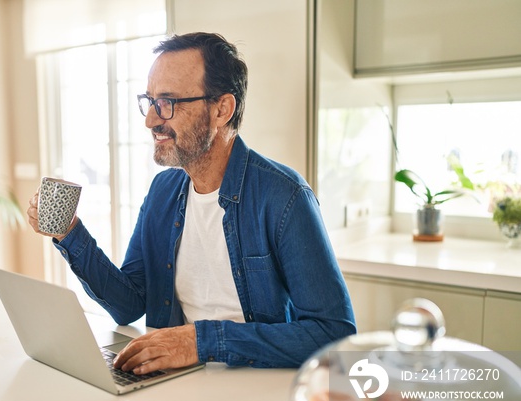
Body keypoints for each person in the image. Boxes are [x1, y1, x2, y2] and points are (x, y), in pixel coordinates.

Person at [27, 32, 356, 375]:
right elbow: (129, 304)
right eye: (149, 100)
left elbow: (334, 334)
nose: (150, 120)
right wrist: (70, 234)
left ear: (221, 110)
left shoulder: (284, 197)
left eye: (167, 102)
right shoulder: (163, 191)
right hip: (179, 384)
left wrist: (201, 342)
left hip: (259, 388)